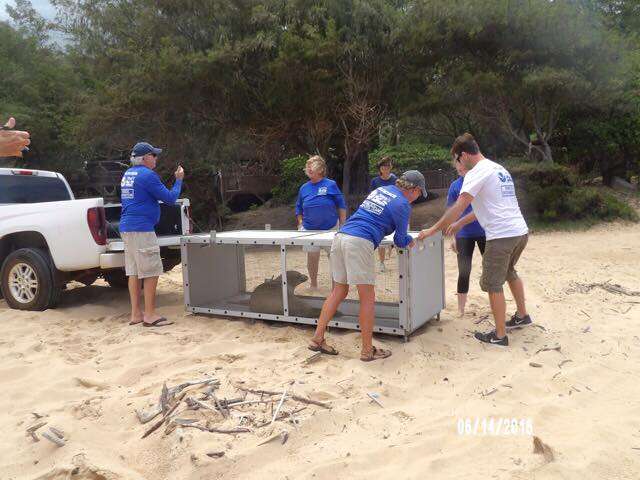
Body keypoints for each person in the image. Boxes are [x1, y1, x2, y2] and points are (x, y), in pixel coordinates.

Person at [418, 133, 532, 347]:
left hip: (502, 235)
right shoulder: (498, 169)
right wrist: (460, 224)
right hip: (519, 232)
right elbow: (487, 206)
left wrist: (434, 228)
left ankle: (499, 335)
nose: (457, 164)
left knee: (491, 283)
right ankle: (523, 316)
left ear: (462, 155)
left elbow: (458, 207)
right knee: (509, 272)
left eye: (457, 160)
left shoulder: (475, 173)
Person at [308, 171, 427, 362]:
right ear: (415, 189)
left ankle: (317, 338)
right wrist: (412, 239)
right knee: (367, 297)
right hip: (359, 241)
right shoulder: (403, 204)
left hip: (341, 237)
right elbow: (399, 240)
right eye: (420, 194)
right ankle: (366, 350)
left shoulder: (382, 190)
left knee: (338, 290)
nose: (417, 198)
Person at [119, 141, 184, 327]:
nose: (156, 158)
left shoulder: (127, 174)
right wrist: (178, 180)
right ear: (145, 158)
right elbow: (171, 199)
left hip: (127, 228)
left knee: (134, 272)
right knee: (151, 271)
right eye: (154, 155)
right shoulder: (148, 175)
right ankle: (149, 315)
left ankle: (135, 314)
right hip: (142, 229)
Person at [295, 155, 347, 291]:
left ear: (321, 169)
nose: (309, 168)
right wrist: (300, 223)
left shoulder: (331, 184)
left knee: (335, 258)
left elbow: (341, 204)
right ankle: (313, 284)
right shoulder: (303, 188)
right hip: (309, 230)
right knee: (312, 257)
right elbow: (298, 207)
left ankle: (335, 287)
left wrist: (343, 225)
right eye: (308, 166)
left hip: (331, 228)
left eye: (312, 166)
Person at [446, 158, 486, 316]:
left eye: (462, 167)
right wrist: (453, 237)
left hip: (485, 231)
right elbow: (451, 213)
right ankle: (461, 310)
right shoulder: (455, 186)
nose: (460, 170)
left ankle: (496, 303)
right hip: (463, 234)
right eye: (458, 168)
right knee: (464, 271)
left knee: (490, 270)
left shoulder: (481, 182)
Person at [370, 156, 397, 272]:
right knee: (381, 238)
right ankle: (381, 262)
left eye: (387, 166)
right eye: (383, 167)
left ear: (390, 167)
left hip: (393, 211)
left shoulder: (395, 180)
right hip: (380, 212)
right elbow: (372, 196)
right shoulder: (375, 181)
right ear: (380, 169)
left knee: (397, 236)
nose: (385, 169)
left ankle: (400, 261)